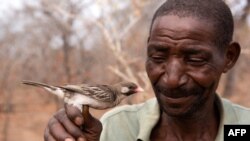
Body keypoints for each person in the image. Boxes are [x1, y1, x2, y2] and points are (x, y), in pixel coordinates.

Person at [44, 0, 250, 141]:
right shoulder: (117, 129)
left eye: (195, 59)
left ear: (229, 57)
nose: (171, 80)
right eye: (158, 57)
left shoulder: (242, 128)